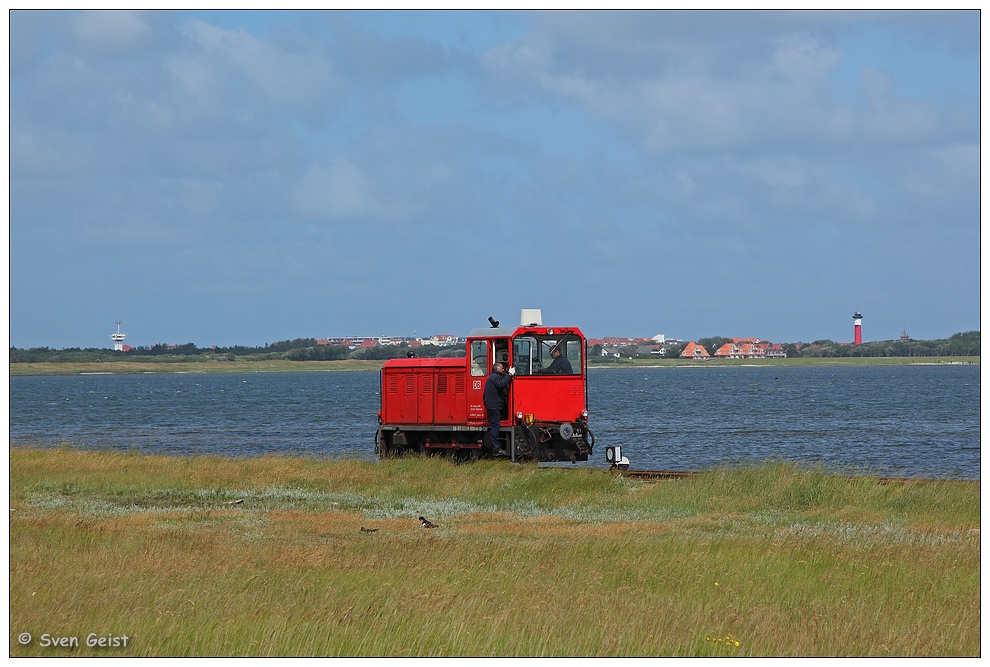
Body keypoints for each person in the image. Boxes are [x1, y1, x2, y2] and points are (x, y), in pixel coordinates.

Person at [483, 362, 514, 456]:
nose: (503, 369)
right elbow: (501, 384)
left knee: (496, 424)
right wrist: (510, 375)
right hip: (494, 406)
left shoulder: (493, 377)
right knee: (495, 426)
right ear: (497, 369)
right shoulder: (495, 378)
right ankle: (496, 448)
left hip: (493, 404)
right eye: (502, 368)